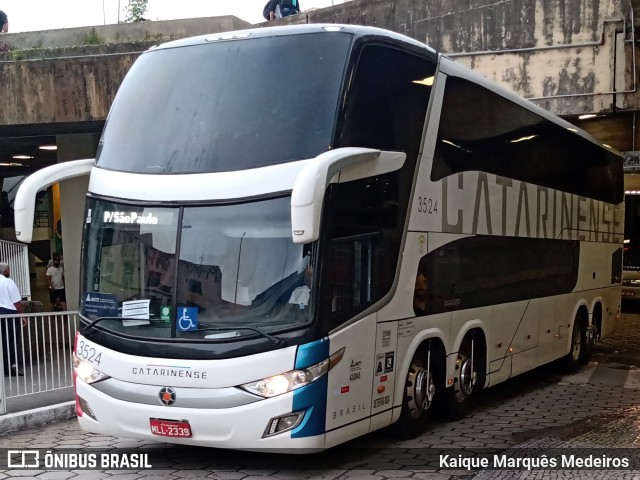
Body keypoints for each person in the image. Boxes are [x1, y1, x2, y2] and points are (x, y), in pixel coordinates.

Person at [0, 262, 25, 376]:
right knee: (11, 341)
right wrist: (22, 315)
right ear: (6, 271)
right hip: (9, 314)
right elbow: (16, 302)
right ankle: (9, 367)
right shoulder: (8, 282)